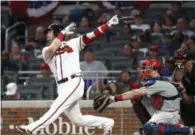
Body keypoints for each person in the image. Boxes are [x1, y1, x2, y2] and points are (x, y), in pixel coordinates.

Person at [16, 15, 119, 135]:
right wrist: (62, 33)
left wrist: (108, 24)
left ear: (55, 32)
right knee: (77, 120)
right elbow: (52, 49)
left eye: (49, 32)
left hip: (73, 82)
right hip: (62, 87)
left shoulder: (73, 43)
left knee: (56, 107)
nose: (47, 34)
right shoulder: (46, 50)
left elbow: (92, 35)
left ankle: (33, 128)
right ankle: (107, 123)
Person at [101, 59, 195, 135]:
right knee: (138, 133)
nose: (144, 70)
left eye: (148, 68)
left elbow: (135, 92)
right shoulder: (158, 81)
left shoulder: (158, 82)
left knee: (148, 128)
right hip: (161, 113)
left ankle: (186, 130)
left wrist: (112, 99)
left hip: (170, 115)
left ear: (156, 70)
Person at [173, 50, 195, 127]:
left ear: (191, 61)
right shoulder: (180, 71)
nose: (180, 63)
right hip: (188, 102)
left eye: (183, 61)